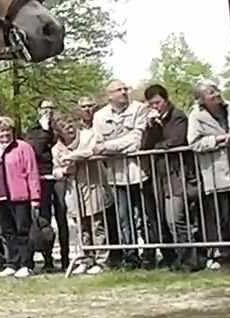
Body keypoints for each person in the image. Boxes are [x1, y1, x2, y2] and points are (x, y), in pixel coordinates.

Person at [92, 80, 162, 268]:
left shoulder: (139, 109)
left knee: (148, 217)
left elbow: (136, 140)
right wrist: (114, 147)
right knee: (125, 219)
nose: (124, 92)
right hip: (116, 176)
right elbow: (97, 145)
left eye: (125, 88)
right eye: (119, 89)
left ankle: (150, 255)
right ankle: (130, 257)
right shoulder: (100, 116)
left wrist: (109, 147)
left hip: (140, 172)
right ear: (109, 95)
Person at [188, 80, 230, 268]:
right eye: (210, 93)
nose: (216, 94)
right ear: (201, 99)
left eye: (216, 90)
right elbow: (194, 143)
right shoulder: (196, 116)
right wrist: (218, 139)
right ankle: (225, 255)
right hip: (214, 174)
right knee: (222, 217)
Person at [142, 84, 199, 270]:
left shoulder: (178, 116)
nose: (155, 107)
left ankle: (190, 260)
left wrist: (158, 146)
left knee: (176, 218)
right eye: (152, 104)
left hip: (177, 172)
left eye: (158, 102)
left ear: (166, 100)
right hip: (159, 175)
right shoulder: (153, 121)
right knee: (164, 220)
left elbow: (177, 140)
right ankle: (176, 259)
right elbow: (144, 146)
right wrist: (151, 128)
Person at [0, 117, 41, 278]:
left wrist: (35, 197)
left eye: (7, 130)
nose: (4, 134)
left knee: (23, 231)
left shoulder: (23, 147)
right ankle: (12, 263)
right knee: (7, 232)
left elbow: (32, 172)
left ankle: (25, 264)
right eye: (1, 131)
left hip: (20, 197)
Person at [53, 119, 113, 275]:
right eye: (65, 127)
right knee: (81, 227)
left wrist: (73, 156)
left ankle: (101, 261)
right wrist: (65, 170)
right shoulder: (57, 149)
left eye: (71, 125)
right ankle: (86, 259)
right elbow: (56, 171)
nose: (70, 129)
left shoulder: (87, 136)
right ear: (59, 132)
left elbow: (92, 150)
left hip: (93, 186)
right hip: (73, 192)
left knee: (97, 225)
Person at [25, 100, 69, 272]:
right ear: (38, 111)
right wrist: (44, 131)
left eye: (51, 108)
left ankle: (66, 259)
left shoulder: (59, 128)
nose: (48, 112)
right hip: (43, 178)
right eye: (44, 109)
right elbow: (34, 150)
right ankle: (48, 258)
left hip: (60, 177)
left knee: (63, 218)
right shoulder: (34, 130)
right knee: (44, 220)